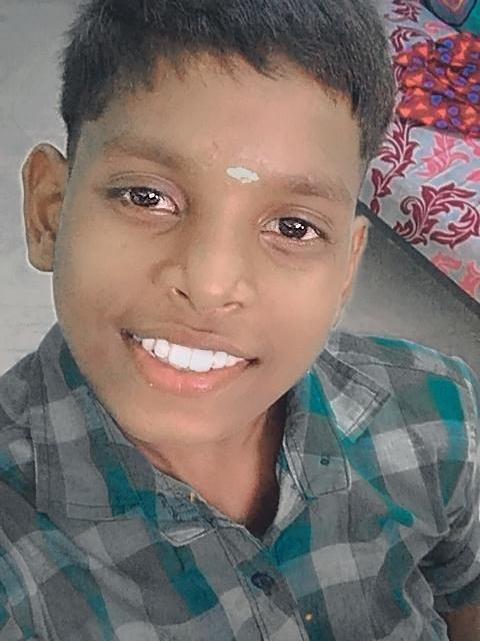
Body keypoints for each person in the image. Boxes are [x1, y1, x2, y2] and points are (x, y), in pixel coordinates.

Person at [0, 0, 479, 639]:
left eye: (294, 227)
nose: (209, 286)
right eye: (147, 196)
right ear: (49, 214)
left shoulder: (439, 417)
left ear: (345, 270)